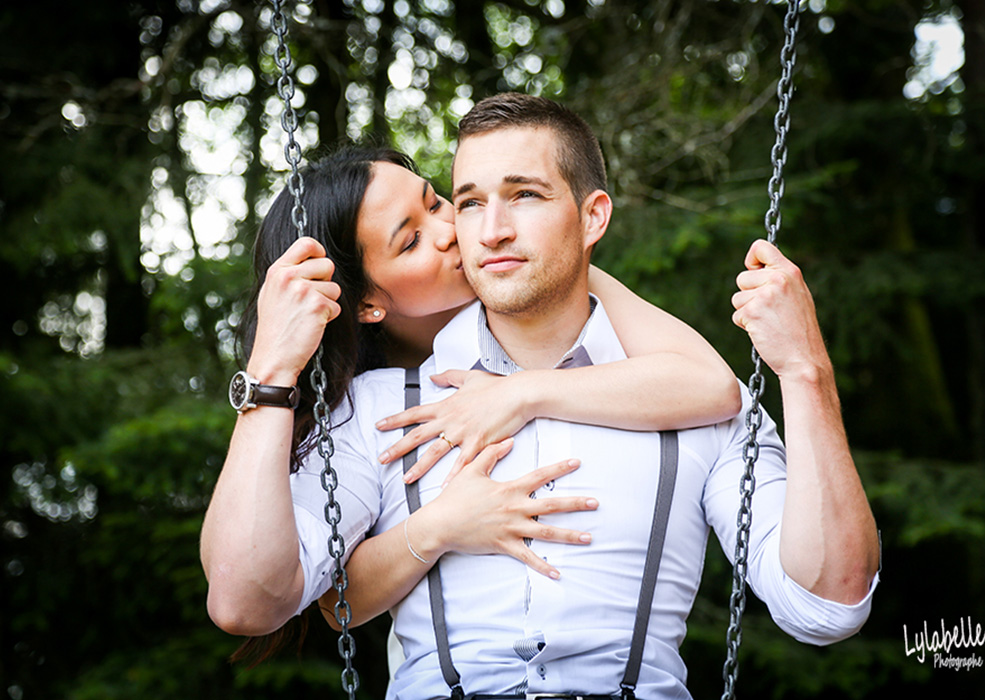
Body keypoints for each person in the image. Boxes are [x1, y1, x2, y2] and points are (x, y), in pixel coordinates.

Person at [292, 93, 881, 700]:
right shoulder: (381, 409)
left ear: (593, 216)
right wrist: (435, 528)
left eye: (525, 195)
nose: (491, 231)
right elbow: (317, 599)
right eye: (469, 204)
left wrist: (805, 371)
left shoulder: (700, 406)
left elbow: (827, 608)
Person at [199, 146, 742, 639]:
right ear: (367, 305)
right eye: (411, 240)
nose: (449, 231)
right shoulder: (371, 408)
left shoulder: (556, 299)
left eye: (437, 202)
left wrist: (521, 391)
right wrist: (271, 369)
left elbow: (712, 387)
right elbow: (285, 602)